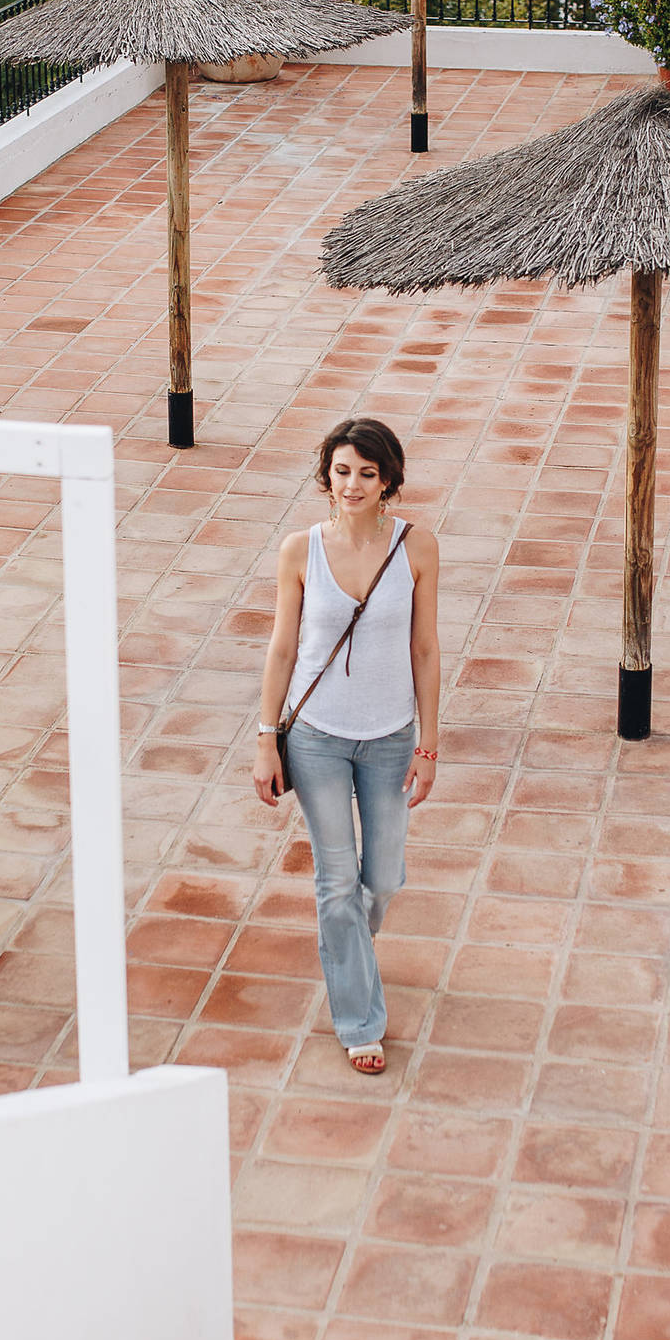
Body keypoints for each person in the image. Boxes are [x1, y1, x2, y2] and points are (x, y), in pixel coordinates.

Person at [252, 417, 440, 1076]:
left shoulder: (417, 547)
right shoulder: (298, 551)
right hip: (317, 738)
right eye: (342, 471)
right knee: (336, 883)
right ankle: (361, 1022)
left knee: (382, 876)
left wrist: (430, 744)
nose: (353, 484)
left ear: (388, 478)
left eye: (367, 472)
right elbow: (282, 648)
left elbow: (425, 649)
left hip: (391, 738)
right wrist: (264, 741)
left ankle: (347, 946)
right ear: (325, 476)